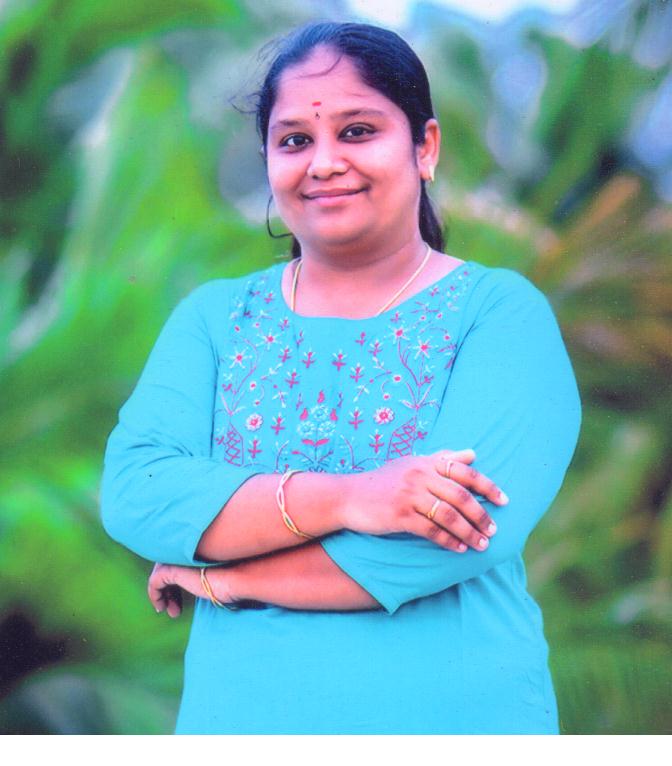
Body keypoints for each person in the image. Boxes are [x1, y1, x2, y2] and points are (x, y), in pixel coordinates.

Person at [100, 21, 581, 734]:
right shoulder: (215, 320)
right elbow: (137, 495)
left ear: (425, 147)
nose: (324, 163)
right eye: (295, 140)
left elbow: (451, 537)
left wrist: (227, 579)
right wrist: (356, 498)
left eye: (357, 131)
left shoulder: (500, 314)